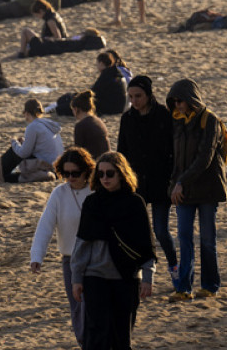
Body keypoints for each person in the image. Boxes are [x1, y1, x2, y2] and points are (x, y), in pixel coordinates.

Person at [70, 152, 156, 348]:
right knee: (96, 335)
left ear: (121, 174)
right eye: (100, 174)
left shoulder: (135, 203)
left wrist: (148, 277)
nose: (105, 178)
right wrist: (76, 279)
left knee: (121, 337)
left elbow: (146, 244)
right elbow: (82, 243)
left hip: (126, 277)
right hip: (95, 276)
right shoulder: (92, 203)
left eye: (110, 173)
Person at [166, 78, 226, 302]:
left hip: (207, 189)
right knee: (184, 238)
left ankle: (210, 285)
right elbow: (173, 157)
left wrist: (181, 182)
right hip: (184, 190)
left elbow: (205, 157)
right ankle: (184, 288)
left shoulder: (210, 120)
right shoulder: (176, 121)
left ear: (191, 99)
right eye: (174, 101)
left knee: (207, 240)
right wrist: (174, 184)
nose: (177, 105)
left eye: (180, 101)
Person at [29, 147, 95, 348]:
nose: (70, 178)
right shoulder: (59, 193)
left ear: (86, 171)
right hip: (71, 260)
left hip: (97, 259)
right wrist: (37, 256)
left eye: (75, 173)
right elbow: (45, 225)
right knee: (77, 308)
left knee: (92, 308)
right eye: (66, 173)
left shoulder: (96, 191)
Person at [117, 75, 177, 286]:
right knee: (137, 232)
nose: (134, 101)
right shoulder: (127, 119)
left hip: (161, 183)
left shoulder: (164, 116)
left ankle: (174, 268)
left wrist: (173, 179)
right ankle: (140, 275)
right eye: (131, 96)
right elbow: (122, 153)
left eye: (138, 96)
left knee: (160, 231)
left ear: (149, 95)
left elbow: (173, 151)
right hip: (136, 185)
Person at [0, 99, 63, 183]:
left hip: (44, 165)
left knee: (13, 151)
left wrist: (14, 142)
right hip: (56, 166)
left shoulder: (33, 126)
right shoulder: (49, 124)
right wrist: (24, 142)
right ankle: (2, 173)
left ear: (27, 113)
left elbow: (24, 153)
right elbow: (41, 146)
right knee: (19, 146)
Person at [71, 90, 110, 158]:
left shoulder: (80, 126)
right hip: (105, 159)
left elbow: (78, 151)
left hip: (93, 160)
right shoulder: (98, 121)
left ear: (76, 109)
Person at [90, 51, 129, 116]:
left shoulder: (106, 75)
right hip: (122, 106)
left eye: (97, 63)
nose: (96, 66)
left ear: (101, 63)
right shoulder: (116, 72)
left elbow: (94, 92)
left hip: (113, 108)